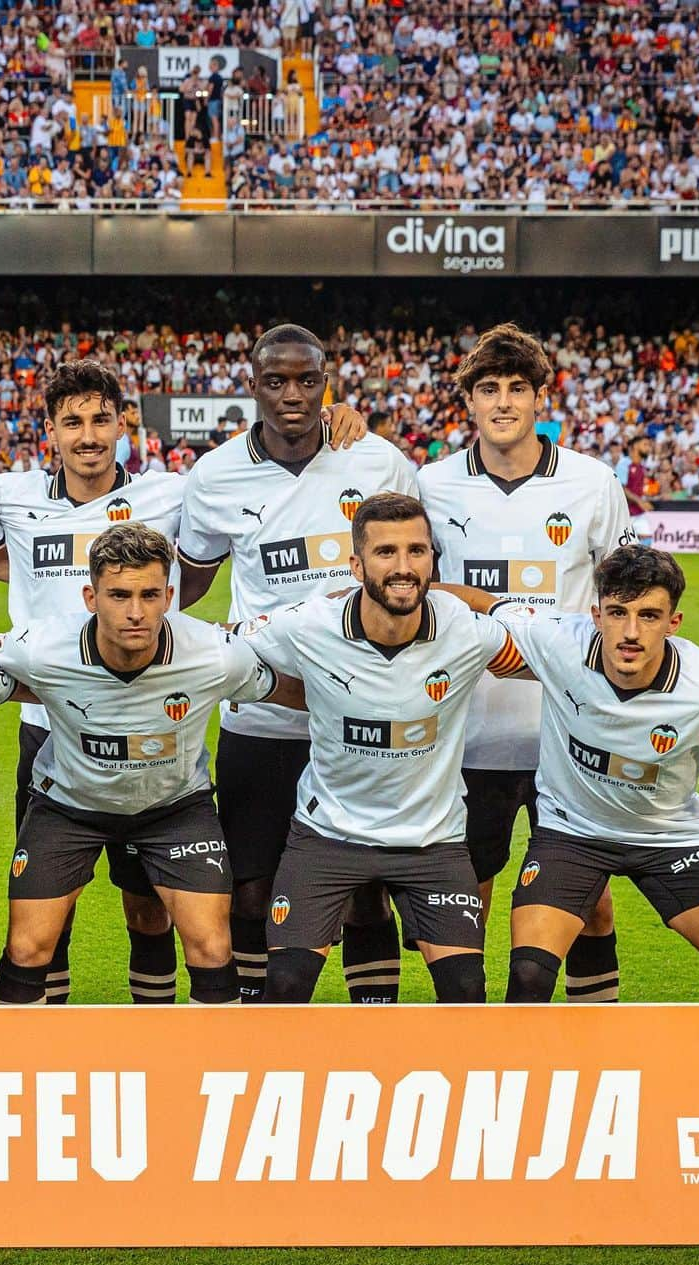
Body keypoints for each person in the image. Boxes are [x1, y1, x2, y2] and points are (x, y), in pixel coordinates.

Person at [328, 322, 635, 1005]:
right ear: (465, 400)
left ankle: (598, 1042)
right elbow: (392, 564)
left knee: (591, 904)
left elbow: (629, 593)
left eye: (517, 389)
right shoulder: (431, 485)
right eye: (487, 389)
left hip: (570, 736)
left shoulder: (592, 483)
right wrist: (338, 419)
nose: (503, 403)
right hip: (465, 734)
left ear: (539, 398)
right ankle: (470, 1044)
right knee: (465, 907)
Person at [176, 324, 404, 1003]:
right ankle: (255, 1028)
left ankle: (376, 1021)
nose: (293, 395)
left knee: (364, 891)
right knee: (250, 886)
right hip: (262, 720)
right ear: (253, 386)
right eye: (275, 381)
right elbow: (187, 584)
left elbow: (417, 570)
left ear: (327, 382)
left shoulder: (377, 461)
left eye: (307, 380)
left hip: (360, 717)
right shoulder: (215, 476)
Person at [447, 546, 699, 1004]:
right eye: (617, 613)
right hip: (572, 835)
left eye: (649, 616)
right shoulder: (559, 638)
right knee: (527, 974)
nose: (630, 632)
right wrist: (379, 594)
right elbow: (481, 601)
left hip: (671, 838)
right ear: (596, 614)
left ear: (673, 623)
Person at [0, 523, 303, 1007]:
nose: (135, 612)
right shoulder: (41, 646)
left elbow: (285, 690)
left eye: (150, 595)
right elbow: (2, 678)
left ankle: (207, 1071)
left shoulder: (215, 656)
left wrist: (378, 705)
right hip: (68, 806)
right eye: (118, 595)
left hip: (174, 808)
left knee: (212, 945)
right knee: (29, 946)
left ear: (169, 596)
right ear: (91, 597)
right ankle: (13, 1074)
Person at [240, 493, 523, 1005]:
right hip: (328, 835)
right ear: (356, 565)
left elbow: (560, 655)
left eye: (417, 552)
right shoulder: (308, 625)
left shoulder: (465, 630)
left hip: (431, 839)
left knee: (465, 992)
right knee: (282, 988)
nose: (403, 567)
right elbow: (222, 654)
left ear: (433, 562)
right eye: (386, 552)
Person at [0, 361, 186, 1004]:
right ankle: (53, 1044)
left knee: (149, 905)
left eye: (101, 418)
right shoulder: (10, 497)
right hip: (47, 731)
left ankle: (154, 1034)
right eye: (72, 421)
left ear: (122, 422)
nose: (89, 435)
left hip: (146, 727)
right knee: (49, 905)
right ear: (50, 429)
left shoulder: (169, 494)